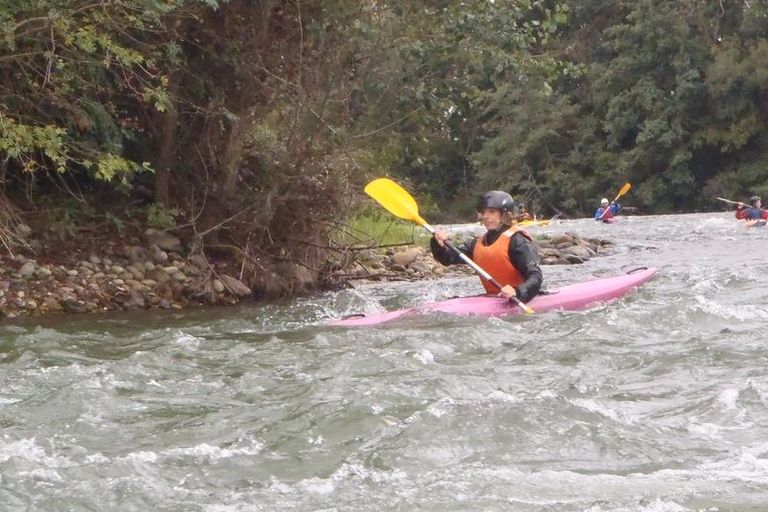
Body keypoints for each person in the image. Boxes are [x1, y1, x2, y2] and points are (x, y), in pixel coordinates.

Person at [430, 191, 542, 303]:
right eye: (483, 212)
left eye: (492, 212)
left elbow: (535, 276)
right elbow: (447, 258)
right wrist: (437, 242)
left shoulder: (518, 241)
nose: (486, 216)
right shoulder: (478, 244)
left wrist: (517, 292)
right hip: (494, 298)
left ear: (504, 214)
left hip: (521, 297)